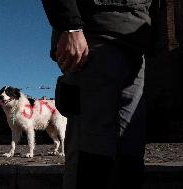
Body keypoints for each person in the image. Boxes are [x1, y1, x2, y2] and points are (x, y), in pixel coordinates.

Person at [42, 0, 153, 188]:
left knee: (130, 153)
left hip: (136, 40)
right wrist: (70, 26)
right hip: (94, 33)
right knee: (91, 153)